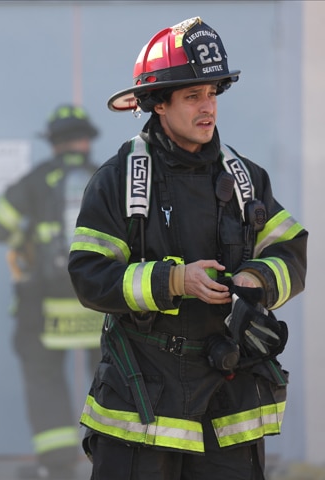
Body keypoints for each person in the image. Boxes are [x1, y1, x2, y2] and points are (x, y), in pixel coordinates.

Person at [68, 17, 307, 480]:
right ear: (159, 103)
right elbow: (89, 276)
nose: (208, 108)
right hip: (144, 398)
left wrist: (254, 279)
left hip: (229, 397)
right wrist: (174, 280)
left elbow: (292, 251)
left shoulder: (247, 179)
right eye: (193, 95)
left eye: (213, 93)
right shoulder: (118, 180)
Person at [0, 105, 104, 479]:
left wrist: (25, 232)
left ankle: (57, 468)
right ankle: (115, 458)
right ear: (86, 140)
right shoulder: (107, 178)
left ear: (53, 143)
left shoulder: (37, 179)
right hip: (99, 306)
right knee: (112, 382)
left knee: (44, 381)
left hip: (45, 308)